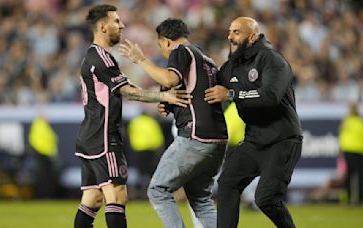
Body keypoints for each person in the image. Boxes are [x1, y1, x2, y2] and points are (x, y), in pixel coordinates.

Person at [74, 5, 190, 228]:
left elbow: (126, 86)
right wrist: (163, 95)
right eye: (116, 21)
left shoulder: (94, 56)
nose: (122, 25)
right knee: (117, 196)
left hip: (90, 135)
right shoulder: (101, 57)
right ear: (102, 26)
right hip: (104, 136)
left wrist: (158, 94)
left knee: (93, 198)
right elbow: (126, 91)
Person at [119, 18, 228, 228]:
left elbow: (169, 79)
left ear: (167, 41)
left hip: (195, 137)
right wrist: (169, 104)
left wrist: (140, 60)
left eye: (160, 46)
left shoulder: (181, 51)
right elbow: (194, 94)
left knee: (157, 190)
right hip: (217, 140)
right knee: (201, 200)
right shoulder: (207, 61)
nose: (163, 52)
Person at [204, 17, 303, 228]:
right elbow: (204, 91)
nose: (230, 37)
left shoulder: (272, 60)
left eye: (237, 32)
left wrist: (231, 93)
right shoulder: (230, 68)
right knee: (227, 182)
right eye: (230, 31)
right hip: (254, 140)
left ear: (252, 37)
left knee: (266, 199)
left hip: (282, 140)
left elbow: (270, 96)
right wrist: (170, 102)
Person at [339, 102, 363, 204]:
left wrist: (343, 148)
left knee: (349, 175)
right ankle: (361, 198)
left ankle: (348, 198)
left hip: (348, 151)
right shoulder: (361, 122)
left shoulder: (346, 122)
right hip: (359, 151)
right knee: (360, 176)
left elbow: (342, 136)